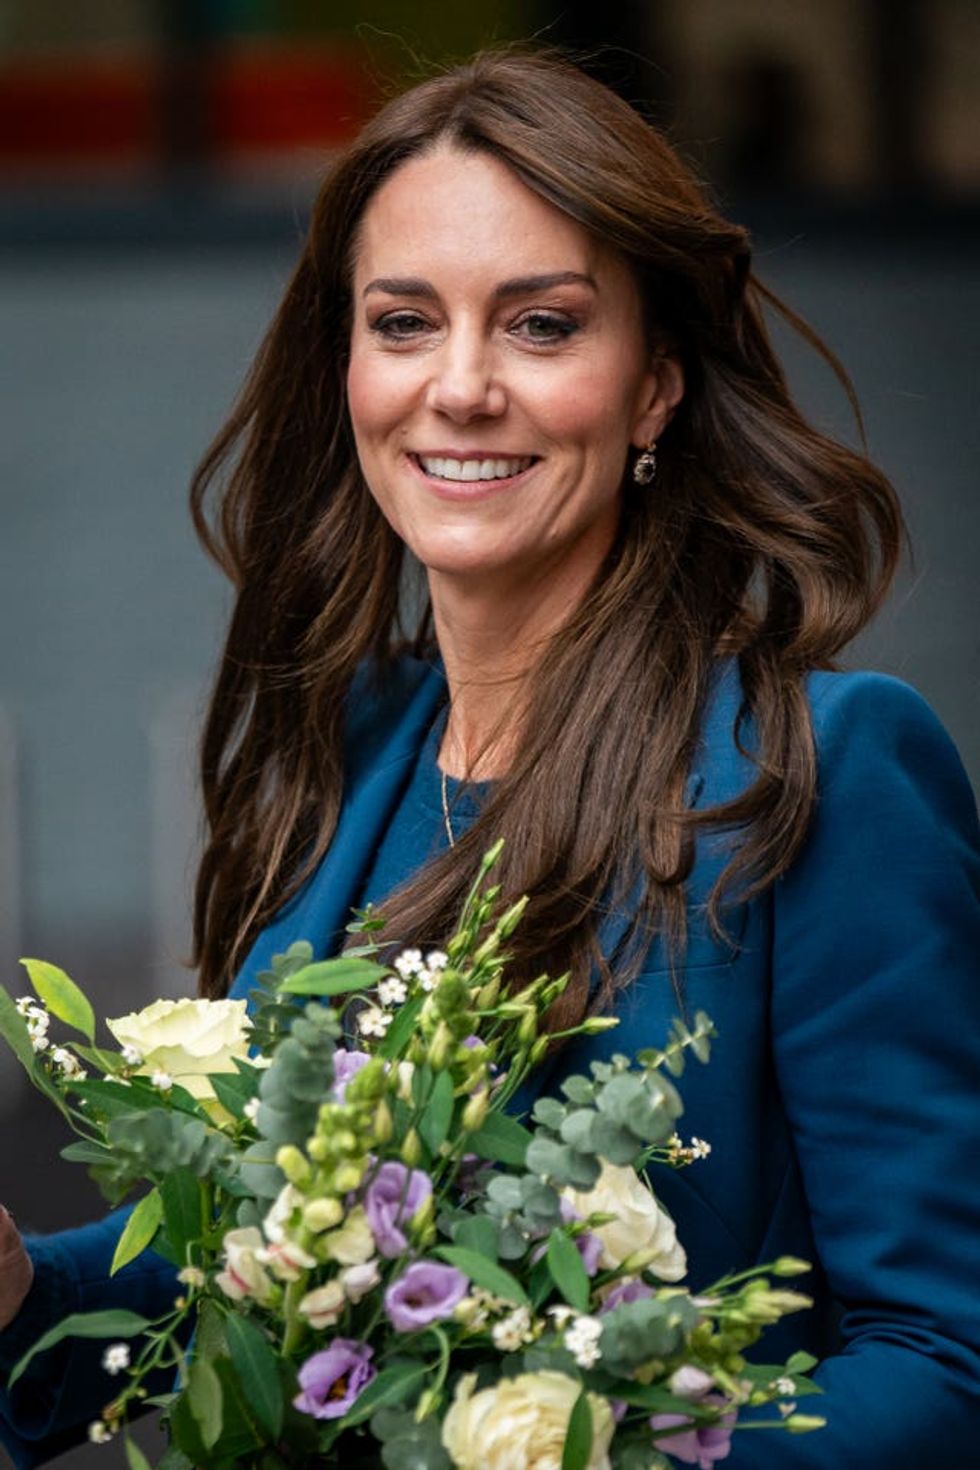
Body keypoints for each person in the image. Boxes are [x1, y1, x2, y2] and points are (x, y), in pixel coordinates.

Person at [1, 47, 978, 1469]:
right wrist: (28, 1286)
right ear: (349, 364)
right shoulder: (347, 749)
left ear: (654, 388)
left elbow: (946, 1361)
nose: (458, 388)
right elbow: (266, 1284)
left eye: (539, 325)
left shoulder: (822, 772)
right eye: (405, 322)